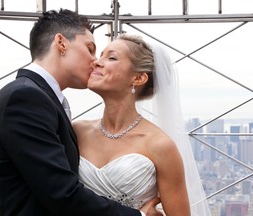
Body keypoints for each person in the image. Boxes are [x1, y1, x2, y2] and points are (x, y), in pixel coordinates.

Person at [0, 8, 161, 216]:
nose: (95, 61)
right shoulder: (26, 98)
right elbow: (62, 193)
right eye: (90, 48)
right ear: (61, 43)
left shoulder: (38, 97)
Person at [74, 34, 211, 216]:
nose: (96, 62)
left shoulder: (160, 145)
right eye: (100, 55)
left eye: (111, 57)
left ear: (138, 79)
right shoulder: (76, 131)